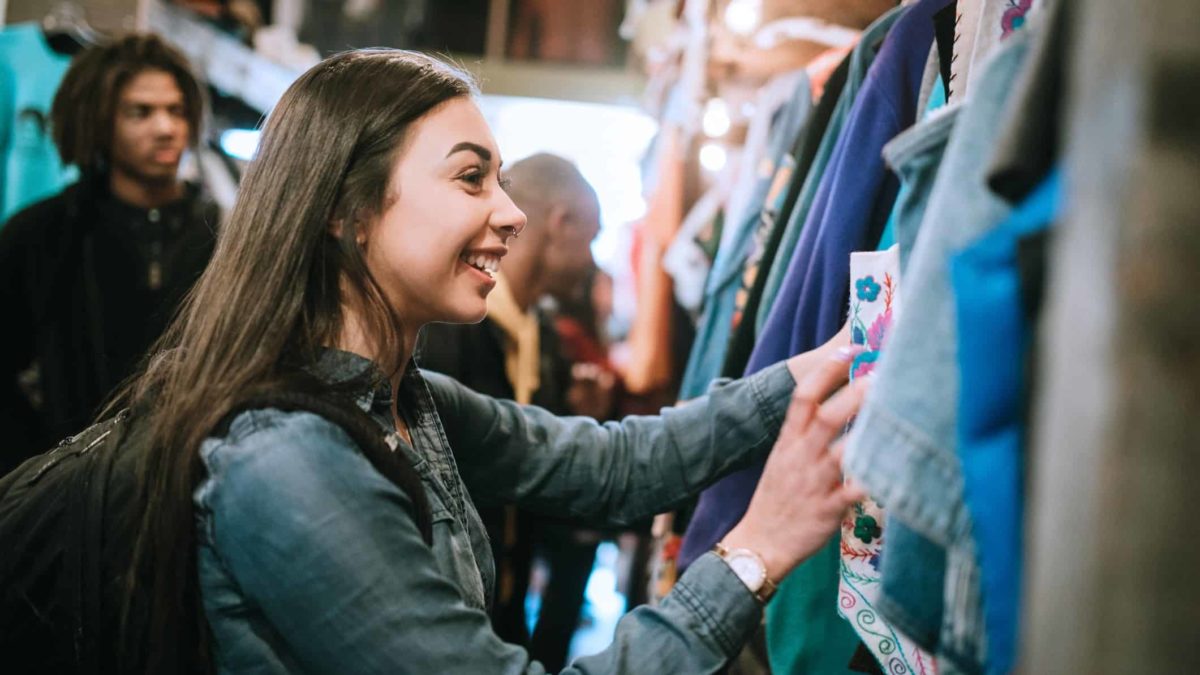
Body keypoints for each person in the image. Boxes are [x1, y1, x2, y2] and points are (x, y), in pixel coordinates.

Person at [115, 49, 868, 673]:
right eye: (471, 177)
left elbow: (612, 466)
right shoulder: (286, 458)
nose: (511, 213)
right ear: (347, 211)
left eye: (499, 181)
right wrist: (754, 551)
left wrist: (818, 368)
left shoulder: (406, 401)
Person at [417, 152, 610, 669]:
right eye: (590, 238)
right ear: (562, 223)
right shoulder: (449, 328)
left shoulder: (542, 334)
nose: (592, 260)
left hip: (505, 599)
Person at [0, 34, 218, 474]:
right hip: (69, 484)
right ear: (100, 120)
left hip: (190, 479)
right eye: (141, 112)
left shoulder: (223, 233)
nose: (165, 128)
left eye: (176, 110)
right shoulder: (43, 235)